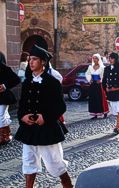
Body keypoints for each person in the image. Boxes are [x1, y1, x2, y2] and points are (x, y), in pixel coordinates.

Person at [15, 45, 73, 188]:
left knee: (54, 161)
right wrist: (23, 116)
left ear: (43, 62)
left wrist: (45, 117)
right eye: (29, 59)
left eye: (34, 59)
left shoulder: (52, 82)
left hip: (47, 128)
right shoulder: (27, 82)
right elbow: (21, 104)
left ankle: (67, 184)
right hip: (29, 129)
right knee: (29, 160)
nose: (31, 62)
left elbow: (61, 106)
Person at [102, 52, 119, 134]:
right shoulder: (106, 69)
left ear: (116, 59)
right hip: (111, 94)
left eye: (112, 58)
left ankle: (117, 127)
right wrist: (105, 88)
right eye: (109, 58)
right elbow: (104, 80)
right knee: (115, 110)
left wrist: (116, 88)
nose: (110, 60)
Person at [0, 51, 20, 145]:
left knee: (1, 115)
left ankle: (3, 137)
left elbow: (16, 79)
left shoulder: (4, 68)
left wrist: (4, 86)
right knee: (4, 115)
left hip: (3, 97)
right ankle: (6, 134)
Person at [86, 54, 109, 119]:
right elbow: (87, 74)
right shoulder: (90, 67)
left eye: (96, 58)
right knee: (93, 99)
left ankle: (104, 112)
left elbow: (105, 76)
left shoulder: (102, 67)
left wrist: (101, 80)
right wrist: (89, 79)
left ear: (98, 59)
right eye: (93, 58)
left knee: (101, 98)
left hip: (100, 85)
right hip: (93, 85)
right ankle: (95, 114)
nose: (94, 59)